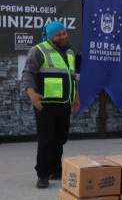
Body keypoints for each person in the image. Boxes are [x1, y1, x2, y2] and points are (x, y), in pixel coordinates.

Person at [22, 21, 80, 189]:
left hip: (64, 103)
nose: (63, 36)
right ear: (50, 36)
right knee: (46, 139)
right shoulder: (38, 50)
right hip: (45, 104)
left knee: (60, 138)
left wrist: (76, 98)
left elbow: (71, 77)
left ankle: (56, 169)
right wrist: (32, 94)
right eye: (58, 34)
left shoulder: (69, 52)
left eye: (64, 33)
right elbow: (28, 73)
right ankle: (43, 174)